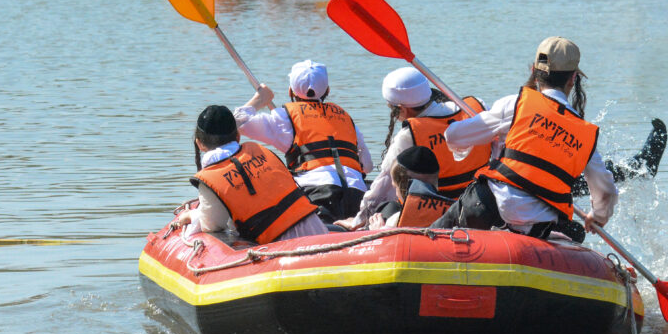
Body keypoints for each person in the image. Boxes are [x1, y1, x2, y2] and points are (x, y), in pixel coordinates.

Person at [430, 37, 616, 242]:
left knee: (430, 237)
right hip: (537, 227)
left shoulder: (514, 104)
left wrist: (491, 134)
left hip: (486, 209)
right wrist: (597, 216)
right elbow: (606, 193)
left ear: (533, 72)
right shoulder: (584, 133)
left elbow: (453, 137)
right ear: (573, 78)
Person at [336, 67, 490, 230]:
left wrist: (358, 221)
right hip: (482, 205)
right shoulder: (476, 107)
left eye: (392, 110)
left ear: (402, 108)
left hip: (440, 214)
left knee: (387, 208)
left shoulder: (408, 135)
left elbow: (384, 182)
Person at [234, 60, 373, 224]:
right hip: (356, 195)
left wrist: (261, 99)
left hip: (315, 195)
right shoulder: (345, 118)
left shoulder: (284, 117)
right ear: (327, 90)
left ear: (290, 90)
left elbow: (237, 122)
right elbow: (367, 166)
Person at [171, 105, 330, 243]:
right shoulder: (260, 151)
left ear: (199, 143)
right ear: (238, 136)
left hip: (283, 245)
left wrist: (192, 215)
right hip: (317, 228)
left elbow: (212, 225)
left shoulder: (211, 179)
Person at [367, 146, 453, 230]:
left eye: (395, 187)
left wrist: (378, 230)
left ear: (403, 189)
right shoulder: (453, 213)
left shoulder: (392, 217)